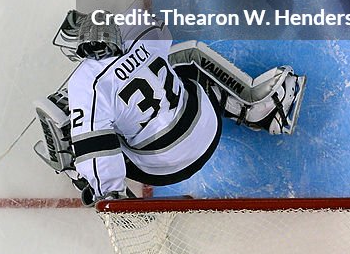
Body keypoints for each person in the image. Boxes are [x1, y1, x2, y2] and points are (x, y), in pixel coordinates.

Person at [34, 10, 306, 204]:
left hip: (164, 168)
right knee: (190, 55)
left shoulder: (85, 83)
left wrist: (108, 194)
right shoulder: (139, 36)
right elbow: (161, 30)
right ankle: (258, 108)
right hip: (207, 128)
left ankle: (114, 199)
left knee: (71, 125)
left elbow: (97, 153)